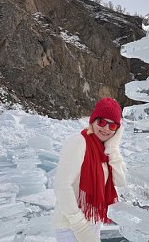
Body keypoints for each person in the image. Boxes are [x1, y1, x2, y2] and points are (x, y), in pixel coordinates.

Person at [53, 97, 127, 242]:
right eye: (102, 122)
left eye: (112, 126)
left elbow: (121, 180)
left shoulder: (104, 152)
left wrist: (113, 148)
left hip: (92, 223)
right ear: (93, 121)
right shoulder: (79, 142)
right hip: (70, 227)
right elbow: (62, 185)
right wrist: (80, 227)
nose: (106, 128)